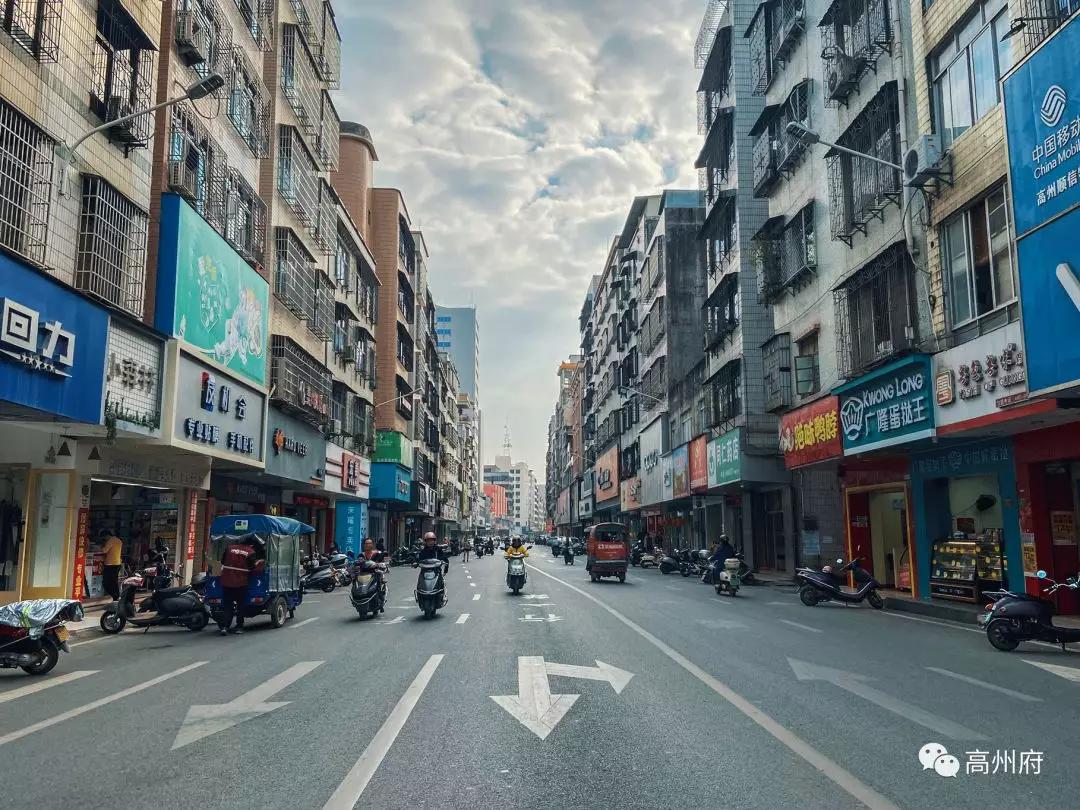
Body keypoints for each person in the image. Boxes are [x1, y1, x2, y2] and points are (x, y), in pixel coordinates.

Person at [218, 539, 262, 636]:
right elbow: (251, 567)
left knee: (227, 606)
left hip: (226, 582)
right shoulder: (250, 552)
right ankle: (239, 627)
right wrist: (258, 563)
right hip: (241, 583)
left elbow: (222, 561)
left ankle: (225, 627)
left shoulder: (229, 548)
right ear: (250, 544)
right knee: (240, 606)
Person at [99, 529, 124, 600]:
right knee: (114, 581)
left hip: (110, 563)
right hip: (117, 563)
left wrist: (100, 547)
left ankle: (114, 595)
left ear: (106, 536)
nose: (104, 539)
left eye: (104, 538)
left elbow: (104, 550)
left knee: (106, 582)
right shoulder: (119, 540)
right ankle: (116, 596)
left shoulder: (111, 541)